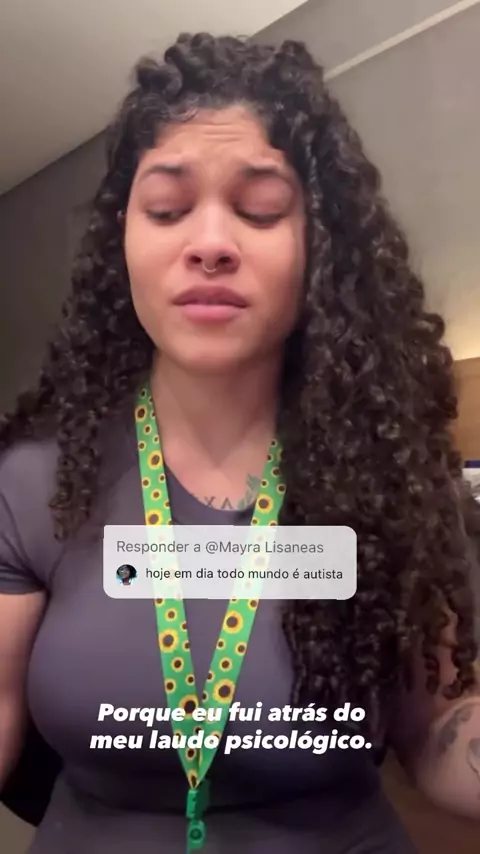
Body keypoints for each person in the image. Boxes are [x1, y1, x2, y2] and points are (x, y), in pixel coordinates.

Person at [0, 31, 479, 854]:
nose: (211, 242)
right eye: (167, 209)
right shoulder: (34, 482)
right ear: (123, 243)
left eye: (259, 210)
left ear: (320, 248)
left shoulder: (390, 476)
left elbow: (438, 727)